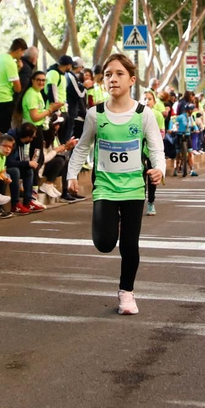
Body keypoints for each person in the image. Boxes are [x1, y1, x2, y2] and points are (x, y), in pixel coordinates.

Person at [66, 53, 165, 316]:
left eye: (119, 74)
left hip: (133, 189)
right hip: (106, 189)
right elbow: (82, 147)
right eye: (108, 74)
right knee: (104, 242)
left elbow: (156, 149)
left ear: (132, 80)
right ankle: (112, 223)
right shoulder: (95, 114)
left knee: (130, 245)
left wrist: (159, 170)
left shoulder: (144, 115)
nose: (113, 79)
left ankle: (127, 294)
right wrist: (71, 175)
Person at [0, 38, 26, 133]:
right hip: (3, 99)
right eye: (23, 52)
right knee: (2, 132)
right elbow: (18, 88)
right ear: (19, 50)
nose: (22, 55)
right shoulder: (10, 62)